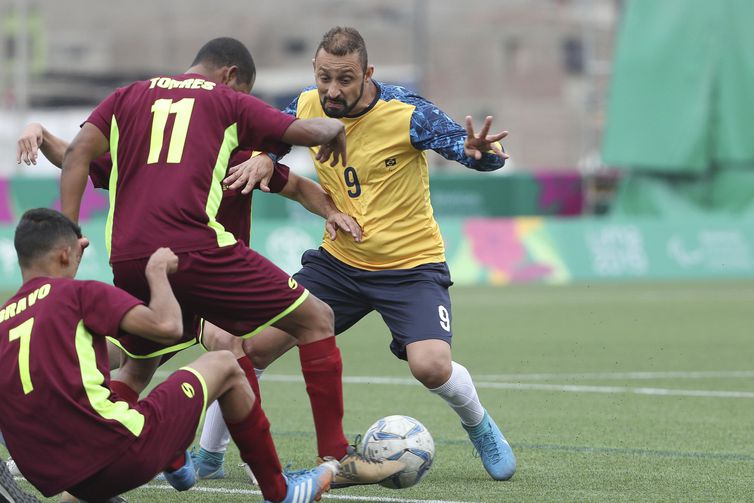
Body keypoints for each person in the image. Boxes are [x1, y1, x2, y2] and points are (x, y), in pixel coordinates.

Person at [58, 37, 401, 491]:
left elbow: (76, 153)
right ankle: (333, 458)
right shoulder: (226, 102)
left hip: (130, 259)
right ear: (231, 76)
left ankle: (108, 454)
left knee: (141, 365)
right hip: (199, 251)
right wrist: (334, 130)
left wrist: (68, 233)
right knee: (315, 319)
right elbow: (302, 131)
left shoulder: (128, 96)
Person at [222, 26, 518, 483]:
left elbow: (467, 149)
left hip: (410, 267)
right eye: (324, 78)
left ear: (368, 74)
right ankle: (209, 455)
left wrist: (482, 154)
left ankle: (479, 425)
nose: (332, 90)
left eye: (344, 79)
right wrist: (264, 155)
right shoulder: (307, 105)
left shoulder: (407, 113)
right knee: (253, 349)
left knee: (431, 366)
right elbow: (276, 136)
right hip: (338, 265)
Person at [0, 208, 340, 503]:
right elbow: (168, 327)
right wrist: (158, 273)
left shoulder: (4, 320)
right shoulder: (78, 293)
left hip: (53, 474)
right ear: (64, 254)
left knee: (130, 369)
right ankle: (279, 491)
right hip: (118, 455)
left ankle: (174, 457)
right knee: (224, 363)